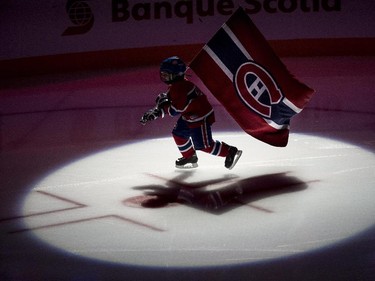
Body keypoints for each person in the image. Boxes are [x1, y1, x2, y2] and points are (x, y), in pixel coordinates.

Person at [140, 56, 242, 169]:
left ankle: (230, 151)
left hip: (199, 117)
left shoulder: (181, 88)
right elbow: (173, 103)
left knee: (203, 145)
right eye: (162, 73)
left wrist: (158, 111)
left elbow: (175, 110)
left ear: (176, 75)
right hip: (190, 115)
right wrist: (157, 110)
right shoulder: (177, 85)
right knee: (179, 134)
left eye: (166, 74)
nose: (163, 76)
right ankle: (190, 157)